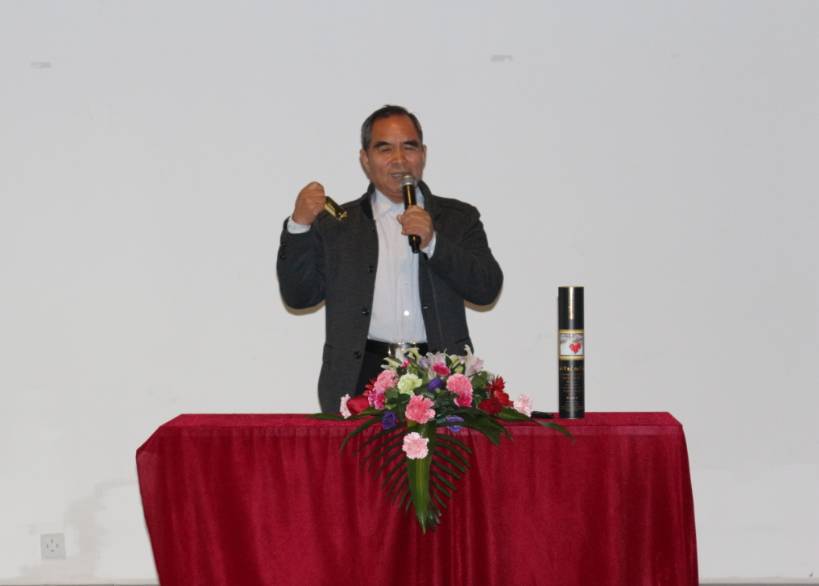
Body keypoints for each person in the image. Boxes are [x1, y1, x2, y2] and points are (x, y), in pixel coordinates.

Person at [277, 105, 503, 413]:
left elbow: (487, 289)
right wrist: (299, 225)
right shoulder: (339, 224)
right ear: (365, 159)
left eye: (409, 147)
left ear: (423, 154)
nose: (399, 159)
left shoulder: (457, 219)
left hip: (440, 377)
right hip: (360, 377)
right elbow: (299, 297)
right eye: (385, 149)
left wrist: (434, 243)